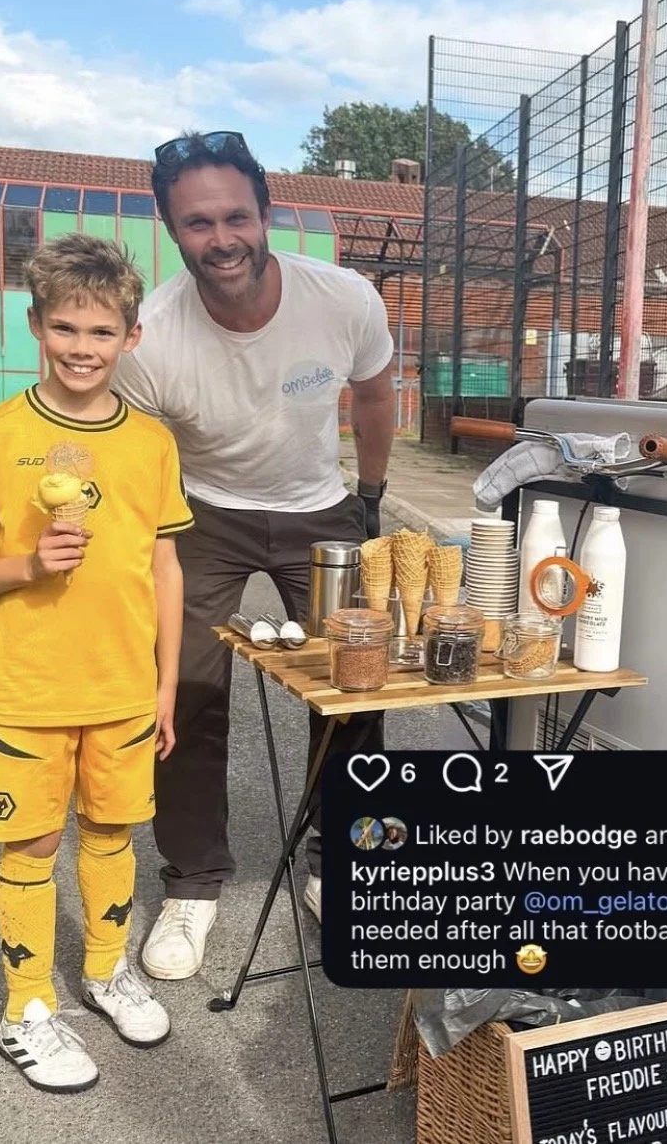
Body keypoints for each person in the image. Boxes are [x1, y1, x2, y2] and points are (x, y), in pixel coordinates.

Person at [112, 130, 396, 980]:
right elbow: (140, 457)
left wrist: (370, 497)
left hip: (320, 505)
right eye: (198, 223)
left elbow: (375, 394)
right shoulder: (151, 336)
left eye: (236, 216)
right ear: (173, 230)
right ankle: (193, 881)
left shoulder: (343, 298)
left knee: (355, 685)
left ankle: (338, 862)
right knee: (185, 688)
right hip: (204, 509)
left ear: (267, 214)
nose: (222, 238)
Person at [0, 234, 193, 1092]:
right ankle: (26, 1008)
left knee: (114, 831)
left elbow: (165, 567)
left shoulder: (151, 442)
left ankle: (106, 969)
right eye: (65, 328)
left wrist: (165, 682)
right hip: (29, 687)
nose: (82, 348)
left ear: (131, 336)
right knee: (34, 841)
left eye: (101, 331)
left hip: (123, 686)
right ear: (35, 326)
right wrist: (27, 564)